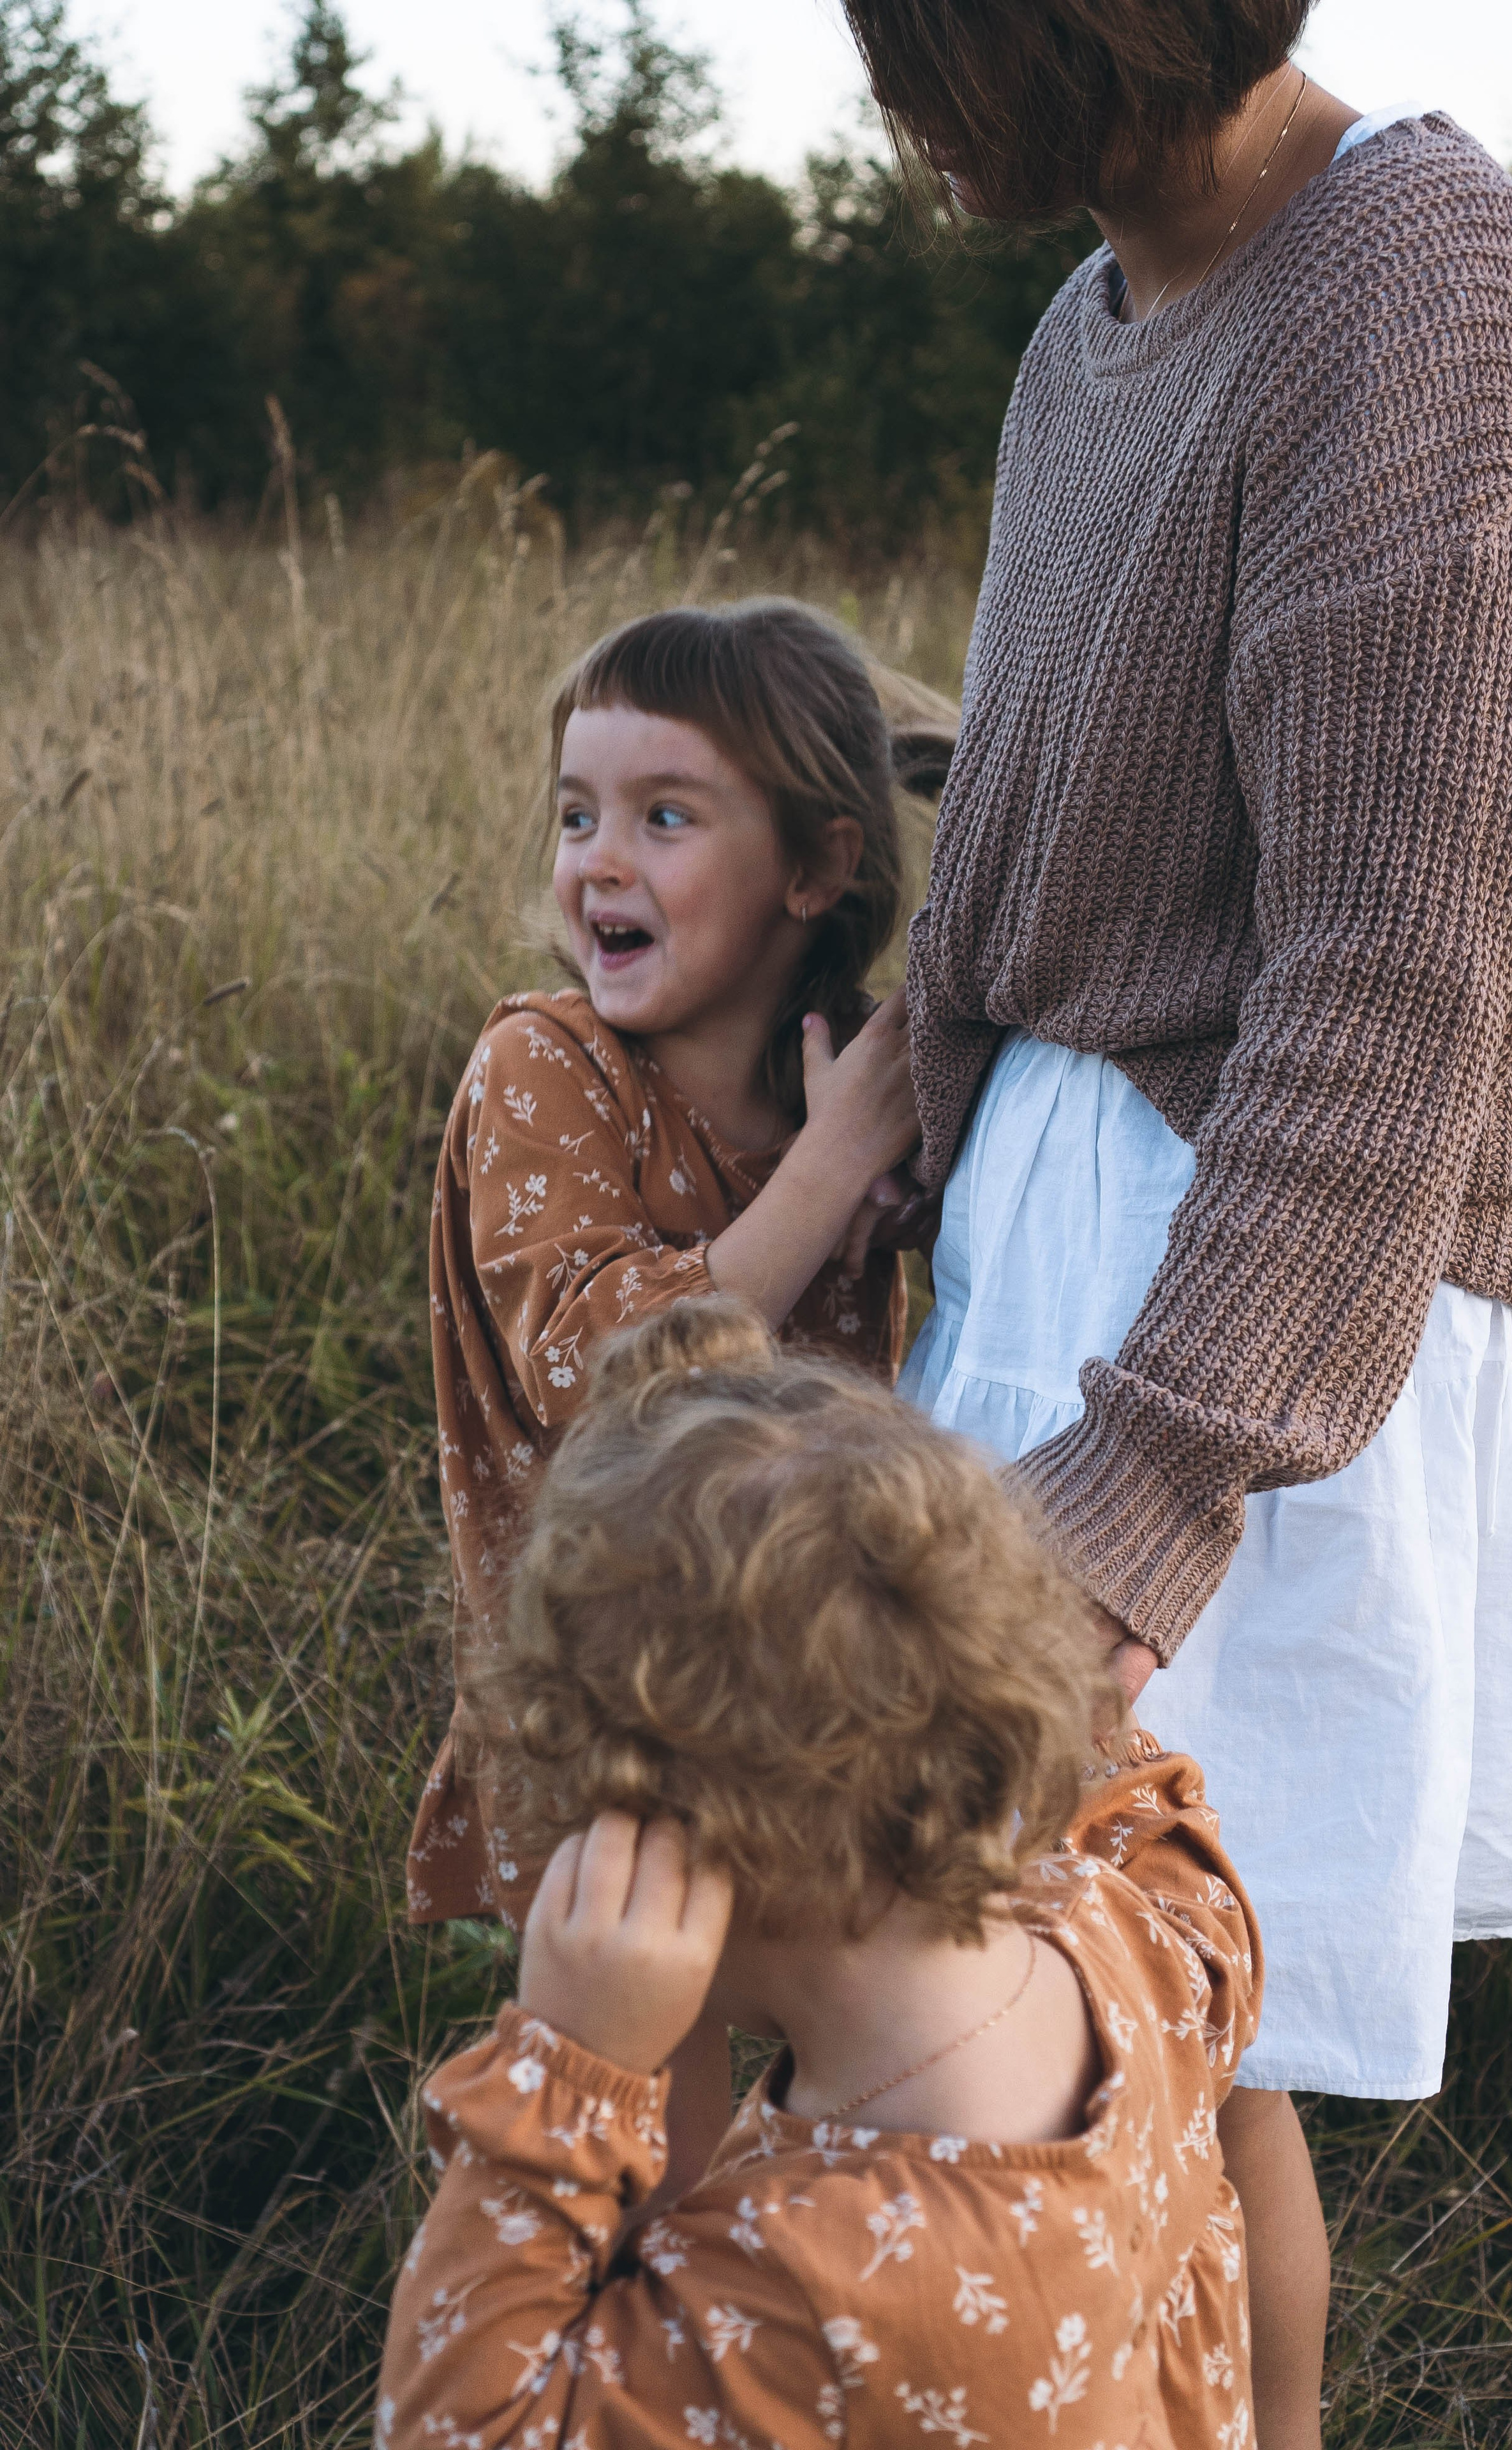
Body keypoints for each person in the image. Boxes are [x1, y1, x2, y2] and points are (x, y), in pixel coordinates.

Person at [830, 2, 1512, 2443]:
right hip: (1051, 1270)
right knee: (1031, 2022)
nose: (907, 106)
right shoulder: (1090, 323)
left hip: (1252, 1317)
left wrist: (1144, 1498)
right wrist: (910, 1158)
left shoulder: (1428, 293)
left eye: (942, 43)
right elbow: (1047, 816)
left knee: (1158, 2036)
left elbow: (1405, 977)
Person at [377, 1301, 1264, 2450]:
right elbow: (1157, 1837)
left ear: (673, 1837)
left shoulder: (815, 2289)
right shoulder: (1138, 1937)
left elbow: (466, 2430)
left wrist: (570, 2077)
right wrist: (1058, 1730)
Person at [407, 601, 926, 2166]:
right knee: (650, 2108)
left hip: (814, 1661)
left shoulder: (831, 1085)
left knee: (869, 2060)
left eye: (665, 815)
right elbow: (605, 1375)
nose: (598, 859)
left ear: (815, 871)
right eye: (577, 814)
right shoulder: (547, 1066)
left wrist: (893, 1182)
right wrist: (839, 1166)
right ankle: (632, 2348)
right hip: (614, 1690)